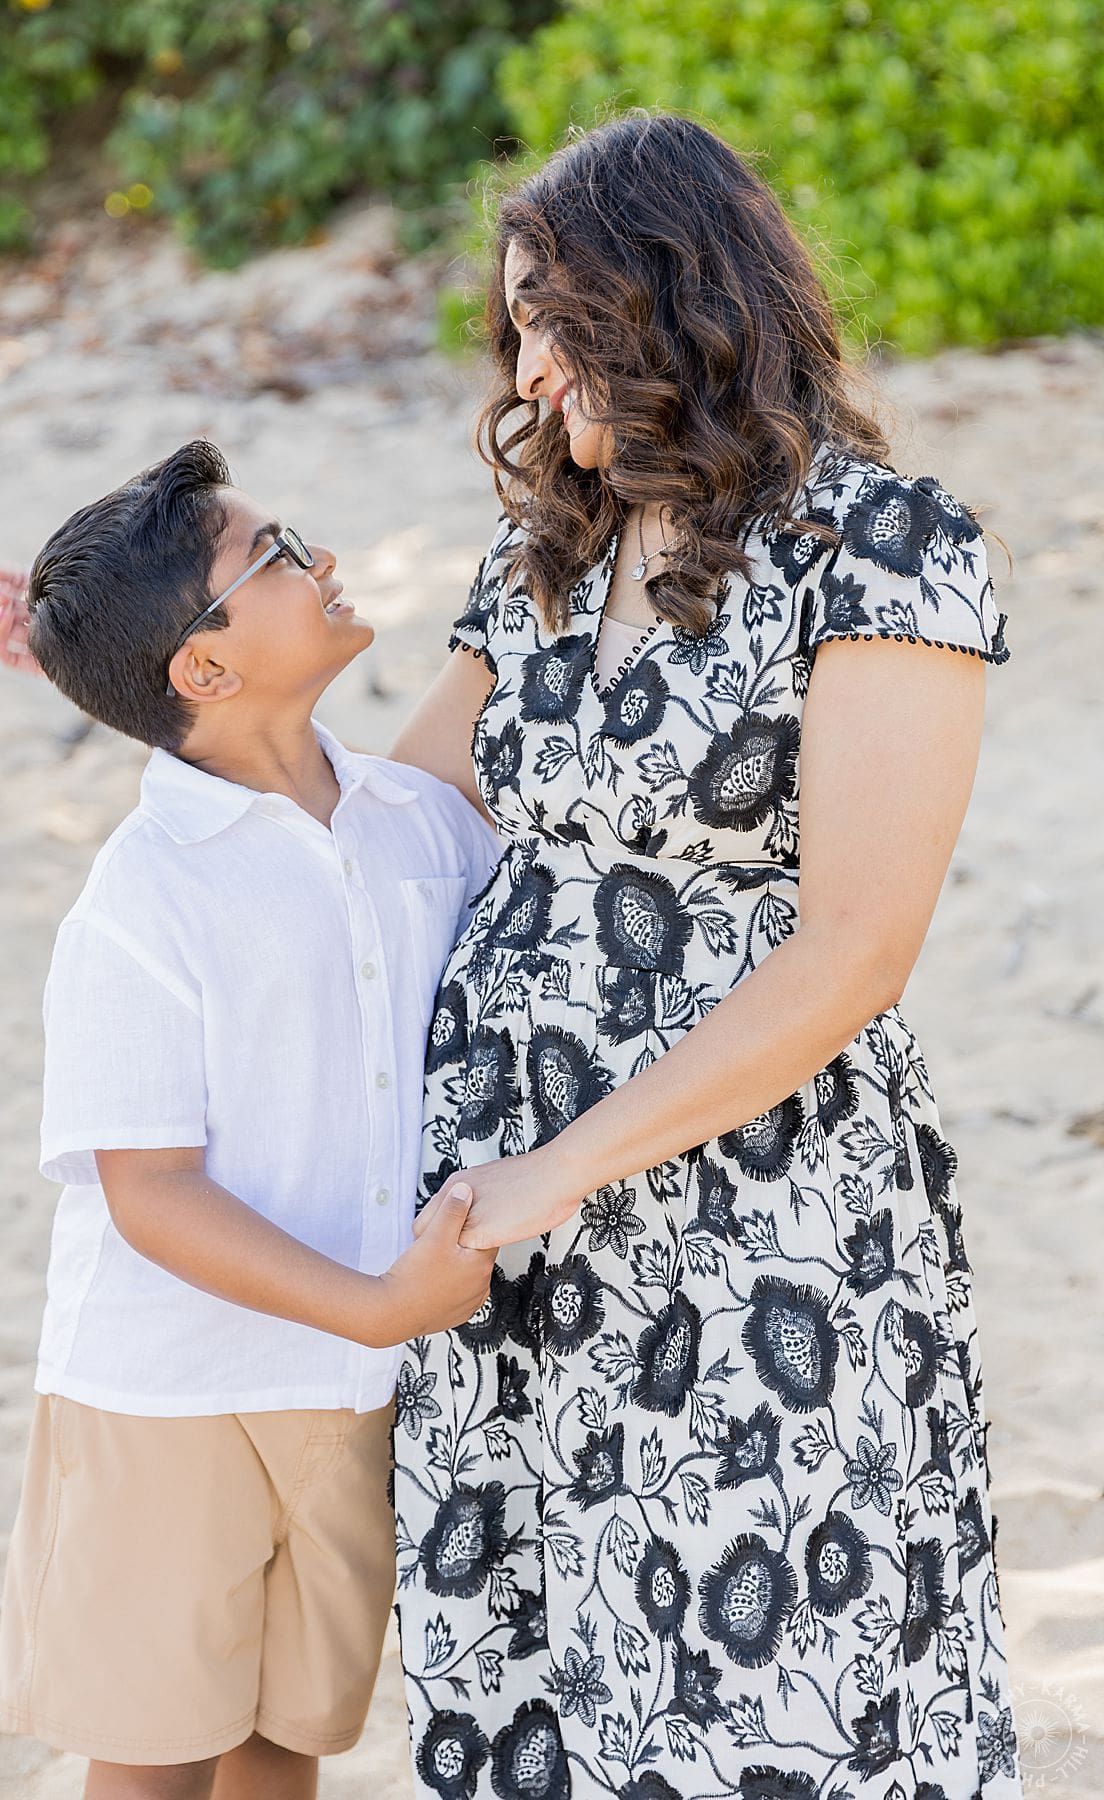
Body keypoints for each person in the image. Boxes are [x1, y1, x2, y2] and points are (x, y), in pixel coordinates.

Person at [387, 115, 1021, 1797]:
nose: (525, 364)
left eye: (553, 314)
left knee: (767, 1700)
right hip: (510, 1230)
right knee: (544, 1689)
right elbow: (383, 828)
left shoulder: (883, 547)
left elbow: (855, 952)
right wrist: (148, 676)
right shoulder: (545, 557)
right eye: (511, 323)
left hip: (753, 1223)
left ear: (669, 296)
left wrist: (559, 1171)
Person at [0, 440, 499, 1800]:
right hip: (173, 1389)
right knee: (157, 1753)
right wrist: (379, 1302)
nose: (320, 560)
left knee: (287, 1739)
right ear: (203, 670)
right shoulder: (146, 896)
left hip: (345, 1389)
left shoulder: (417, 824)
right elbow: (149, 1190)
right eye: (276, 558)